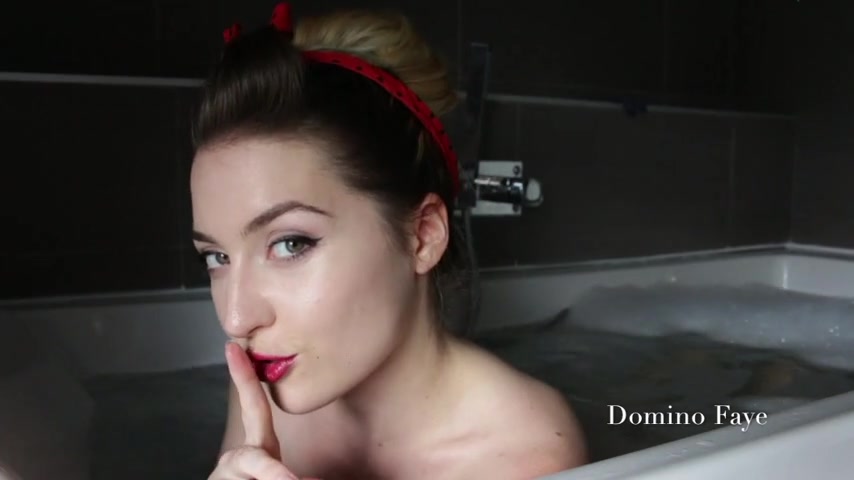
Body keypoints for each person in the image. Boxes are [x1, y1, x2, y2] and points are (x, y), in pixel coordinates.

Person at [190, 3, 587, 479]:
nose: (236, 318)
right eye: (216, 256)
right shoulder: (261, 394)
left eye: (291, 244)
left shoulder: (525, 454)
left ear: (423, 235)